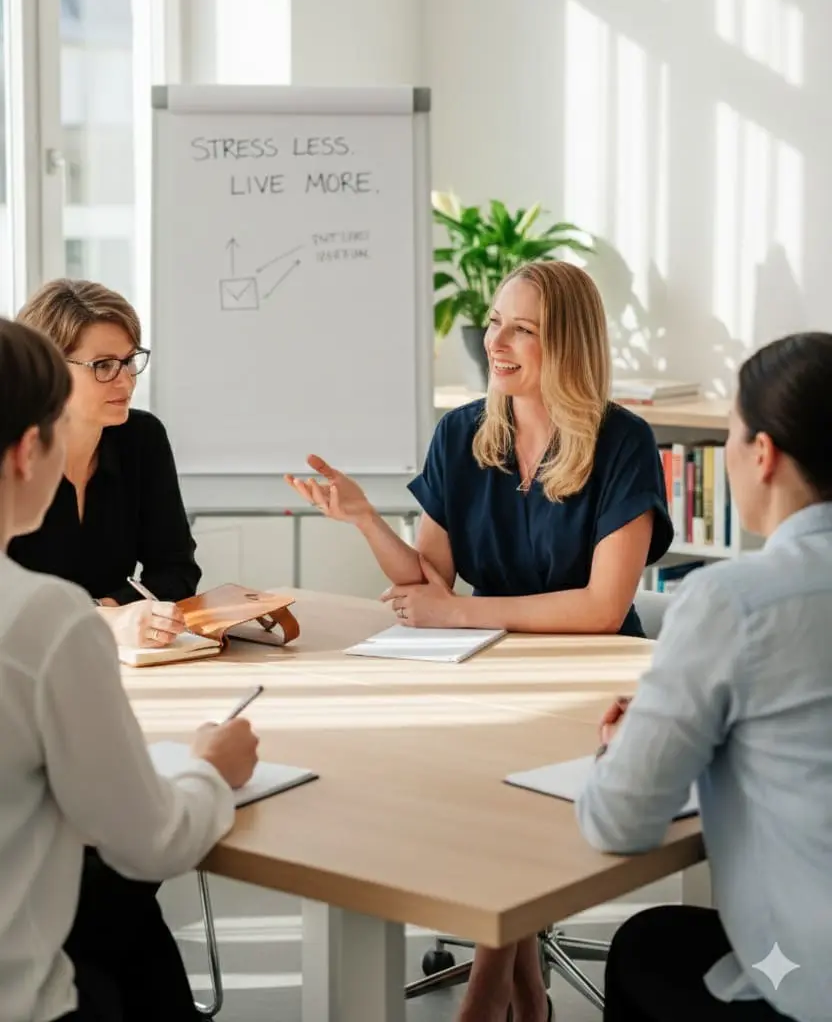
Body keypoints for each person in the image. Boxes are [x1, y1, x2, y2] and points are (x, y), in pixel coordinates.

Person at [287, 260, 673, 1022]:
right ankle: (526, 993)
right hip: (489, 665)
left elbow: (602, 607)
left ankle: (490, 990)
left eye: (522, 329)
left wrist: (461, 613)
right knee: (465, 782)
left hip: (596, 678)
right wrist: (366, 519)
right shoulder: (463, 432)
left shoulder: (623, 440)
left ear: (567, 343)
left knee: (513, 789)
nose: (497, 341)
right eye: (495, 322)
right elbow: (431, 578)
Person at [0, 316, 258, 1022]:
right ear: (30, 450)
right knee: (125, 918)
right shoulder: (43, 620)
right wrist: (209, 765)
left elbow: (176, 564)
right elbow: (151, 844)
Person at [579, 332, 832, 1022]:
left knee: (647, 943)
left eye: (729, 434)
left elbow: (619, 821)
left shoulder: (733, 601)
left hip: (813, 983)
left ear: (763, 454)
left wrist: (624, 747)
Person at [10, 278, 198, 650]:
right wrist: (102, 620)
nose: (126, 381)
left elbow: (176, 570)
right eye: (104, 365)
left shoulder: (141, 438)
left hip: (123, 659)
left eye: (129, 361)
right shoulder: (9, 451)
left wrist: (111, 613)